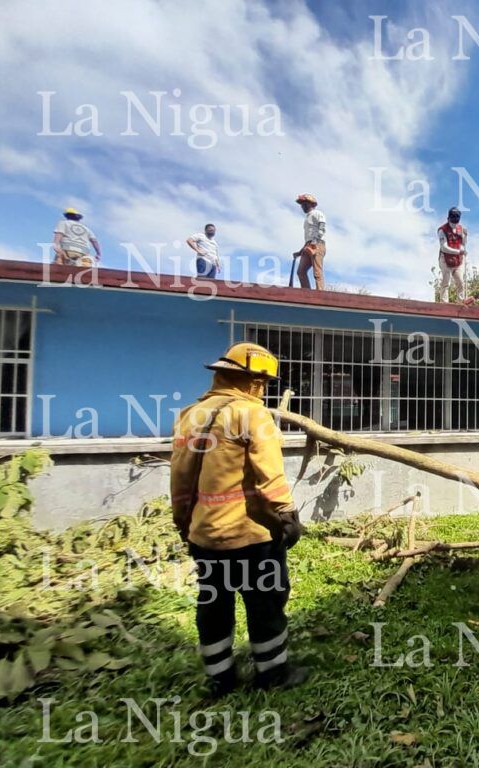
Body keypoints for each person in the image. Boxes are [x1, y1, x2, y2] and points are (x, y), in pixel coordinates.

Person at [170, 342, 308, 696]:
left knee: (213, 604)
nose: (262, 389)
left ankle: (220, 678)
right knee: (266, 602)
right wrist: (287, 515)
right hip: (252, 536)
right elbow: (270, 473)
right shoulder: (252, 414)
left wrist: (184, 521)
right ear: (251, 381)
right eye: (262, 382)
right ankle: (272, 674)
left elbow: (180, 477)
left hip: (205, 536)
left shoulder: (190, 415)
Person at [437, 206, 473, 304]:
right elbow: (444, 247)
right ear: (448, 219)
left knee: (460, 281)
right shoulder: (442, 230)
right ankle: (444, 302)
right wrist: (458, 252)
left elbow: (463, 243)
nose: (454, 224)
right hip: (445, 260)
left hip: (458, 260)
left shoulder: (460, 229)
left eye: (456, 222)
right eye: (452, 222)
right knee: (446, 281)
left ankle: (462, 301)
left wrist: (465, 236)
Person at [293, 193, 326, 290]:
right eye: (302, 204)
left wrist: (315, 241)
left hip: (318, 244)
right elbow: (308, 238)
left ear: (311, 204)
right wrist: (300, 252)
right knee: (301, 271)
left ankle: (320, 294)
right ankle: (306, 292)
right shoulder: (307, 218)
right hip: (308, 245)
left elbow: (322, 228)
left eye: (304, 203)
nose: (302, 206)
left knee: (317, 271)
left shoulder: (318, 213)